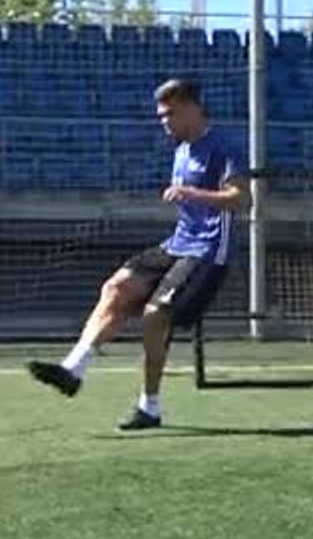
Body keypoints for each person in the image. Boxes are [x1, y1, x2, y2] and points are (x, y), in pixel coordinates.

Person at [27, 78, 250, 430]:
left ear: (192, 108)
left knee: (153, 317)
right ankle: (73, 369)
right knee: (116, 288)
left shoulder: (224, 146)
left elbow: (241, 199)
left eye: (170, 114)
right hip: (178, 243)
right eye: (161, 115)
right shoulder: (181, 148)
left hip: (208, 250)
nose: (165, 122)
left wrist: (192, 193)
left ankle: (150, 407)